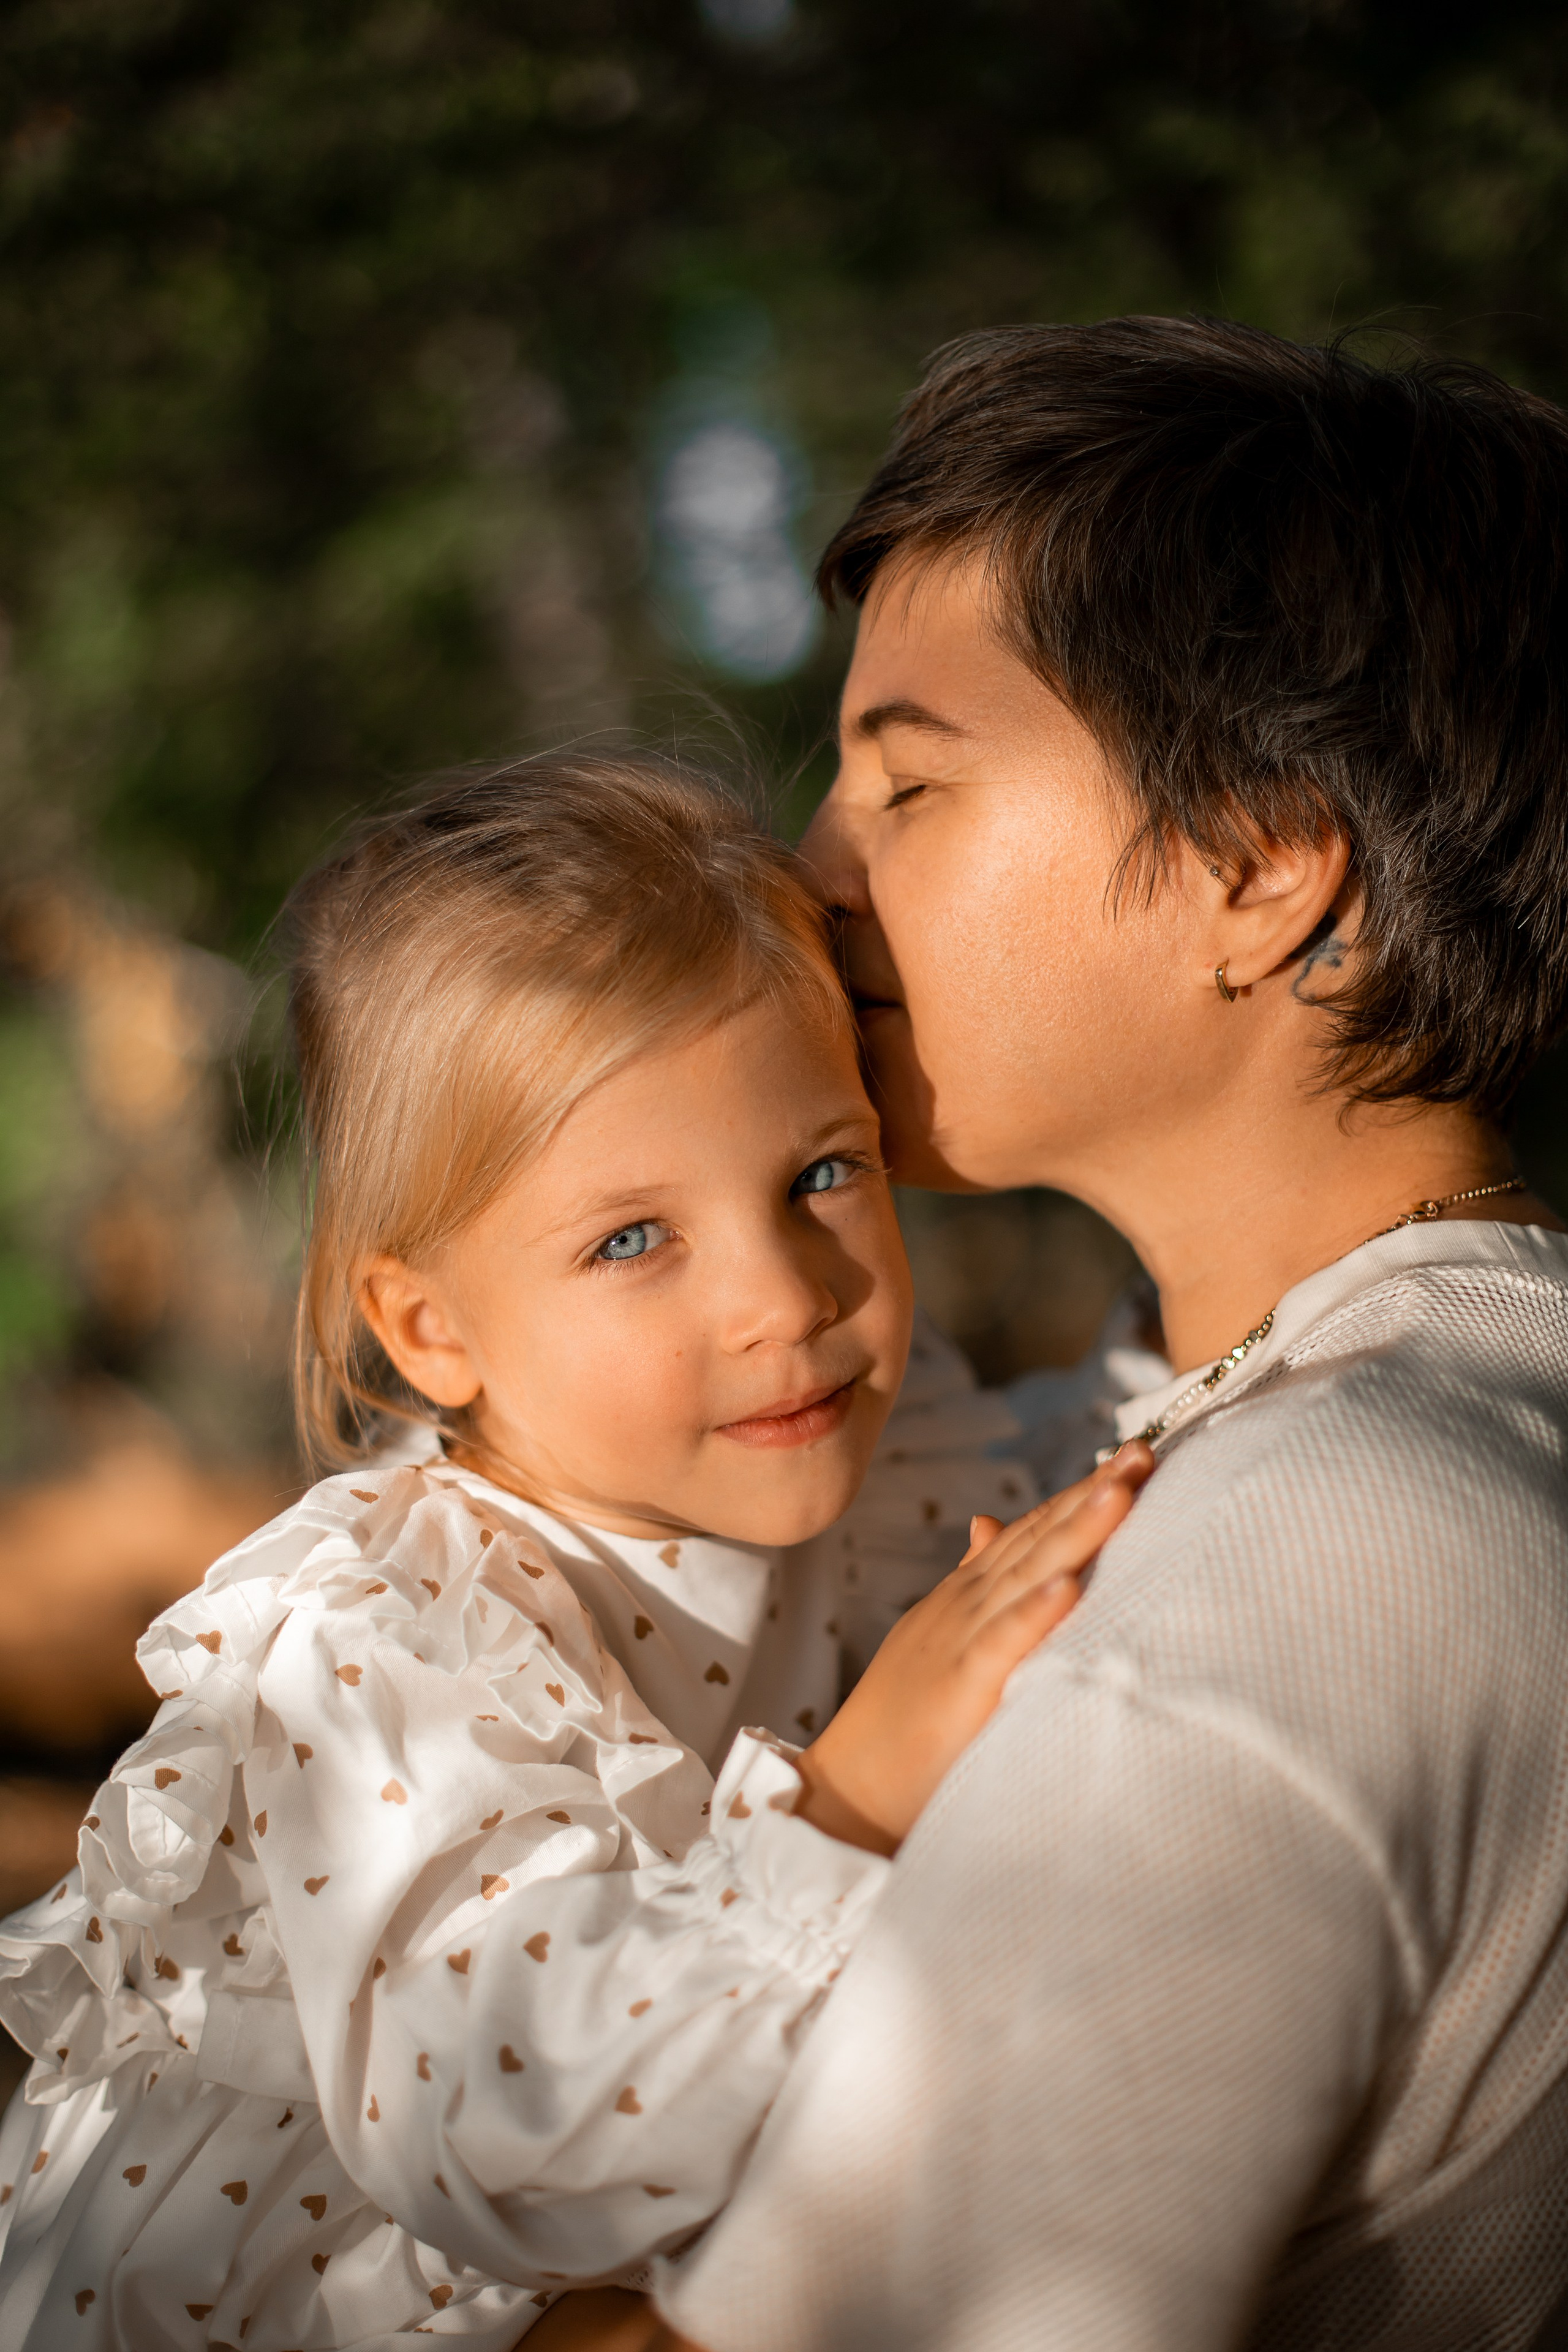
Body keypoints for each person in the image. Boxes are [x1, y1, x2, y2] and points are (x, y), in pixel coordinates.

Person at [641, 320, 1568, 2351]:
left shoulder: (1282, 1564)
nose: (807, 874)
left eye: (910, 781)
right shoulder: (1456, 1415)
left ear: (1260, 864)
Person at [0, 756, 1142, 2349]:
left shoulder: (889, 1447)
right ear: (430, 1328)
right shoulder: (384, 1652)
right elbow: (509, 2120)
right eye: (633, 1238)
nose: (785, 1297)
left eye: (822, 1172)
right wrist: (848, 1803)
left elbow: (1105, 1452)